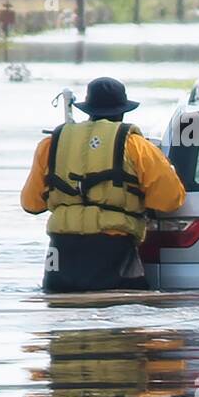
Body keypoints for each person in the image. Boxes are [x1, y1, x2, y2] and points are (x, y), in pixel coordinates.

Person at [21, 77, 185, 292]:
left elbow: (31, 204)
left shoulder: (51, 144)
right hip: (111, 246)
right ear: (123, 111)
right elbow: (170, 200)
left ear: (87, 109)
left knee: (63, 314)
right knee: (120, 313)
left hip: (61, 251)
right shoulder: (136, 145)